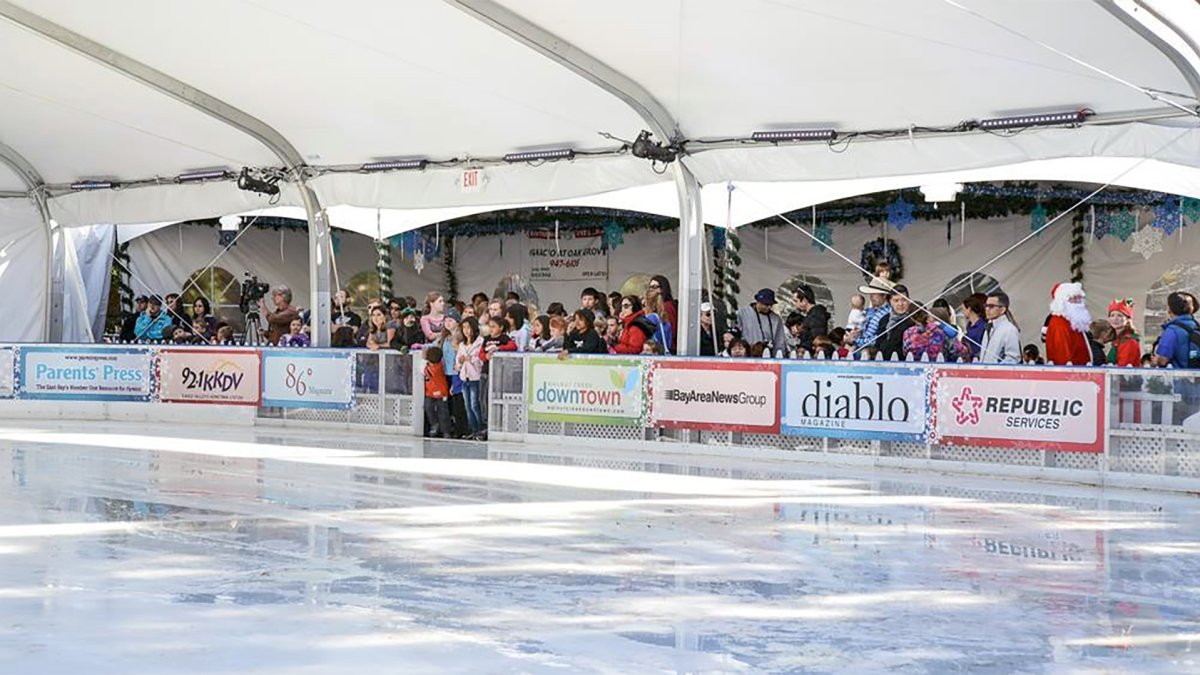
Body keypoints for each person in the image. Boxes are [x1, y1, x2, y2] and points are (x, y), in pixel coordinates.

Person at [1045, 282, 1093, 366]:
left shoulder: (1074, 320)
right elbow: (1061, 355)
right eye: (1073, 299)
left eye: (1079, 298)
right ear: (1062, 302)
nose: (1078, 303)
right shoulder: (1059, 324)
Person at [736, 289, 788, 358]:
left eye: (771, 305)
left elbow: (780, 341)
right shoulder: (743, 313)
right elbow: (736, 336)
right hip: (747, 356)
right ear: (758, 302)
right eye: (766, 304)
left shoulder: (776, 319)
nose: (769, 307)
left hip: (769, 356)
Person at [1154, 291, 1199, 369]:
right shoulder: (1197, 326)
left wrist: (1156, 360)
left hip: (1180, 378)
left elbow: (1163, 360)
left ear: (1170, 310)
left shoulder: (1171, 330)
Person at [457, 317, 486, 439]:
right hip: (465, 377)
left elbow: (480, 360)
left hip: (475, 377)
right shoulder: (462, 344)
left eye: (469, 327)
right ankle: (473, 430)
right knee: (467, 406)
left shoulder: (480, 342)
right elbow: (457, 362)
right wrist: (459, 361)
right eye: (464, 327)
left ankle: (481, 429)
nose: (466, 330)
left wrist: (471, 359)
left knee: (475, 404)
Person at [875, 284, 918, 361]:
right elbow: (878, 343)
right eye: (896, 300)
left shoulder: (914, 319)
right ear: (890, 302)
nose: (900, 304)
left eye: (904, 300)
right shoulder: (884, 320)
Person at [852, 278, 893, 357]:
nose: (871, 297)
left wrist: (855, 340)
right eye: (871, 294)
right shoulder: (869, 311)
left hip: (873, 352)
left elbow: (877, 339)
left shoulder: (888, 313)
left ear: (884, 295)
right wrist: (854, 334)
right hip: (860, 347)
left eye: (874, 294)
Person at [979, 292, 1021, 364]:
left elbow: (1013, 359)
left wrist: (996, 367)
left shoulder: (1009, 329)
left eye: (991, 306)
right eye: (986, 306)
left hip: (997, 373)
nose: (987, 309)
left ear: (1002, 310)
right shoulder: (989, 327)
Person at [791, 283, 830, 357]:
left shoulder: (816, 316)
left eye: (796, 301)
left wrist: (803, 347)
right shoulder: (813, 315)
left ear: (804, 301)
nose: (794, 304)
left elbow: (818, 339)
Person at [422, 346, 452, 439]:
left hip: (441, 393)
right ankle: (435, 425)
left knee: (443, 412)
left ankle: (446, 431)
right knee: (429, 409)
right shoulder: (429, 366)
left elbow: (425, 371)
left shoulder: (436, 367)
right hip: (429, 393)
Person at [1107, 298, 1142, 368]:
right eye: (1112, 315)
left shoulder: (1129, 341)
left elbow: (1123, 367)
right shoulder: (1117, 340)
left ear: (1128, 320)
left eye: (1119, 315)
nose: (1115, 319)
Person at [648, 275, 678, 352]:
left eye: (654, 287)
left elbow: (672, 329)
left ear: (662, 289)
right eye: (650, 287)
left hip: (666, 347)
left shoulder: (667, 306)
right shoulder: (654, 307)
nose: (651, 290)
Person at [961, 293, 988, 362]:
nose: (962, 312)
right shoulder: (969, 326)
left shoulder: (983, 326)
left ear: (969, 309)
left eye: (963, 309)